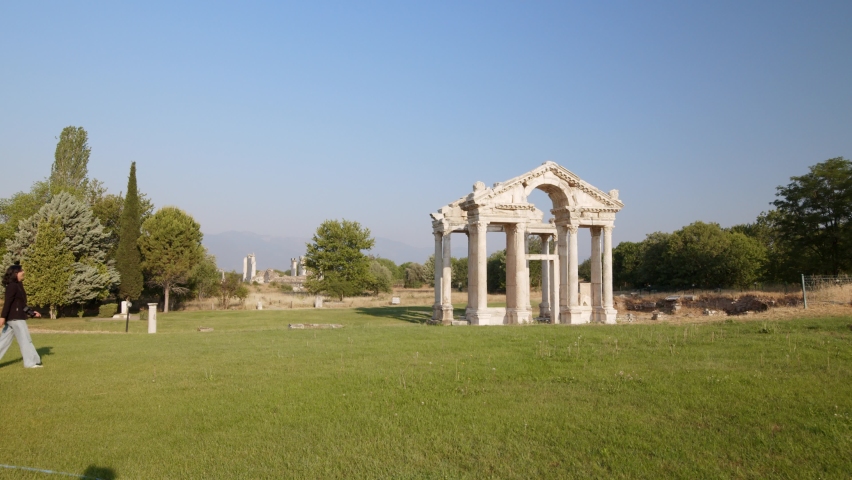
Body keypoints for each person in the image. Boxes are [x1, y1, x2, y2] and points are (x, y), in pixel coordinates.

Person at [0, 262, 43, 368]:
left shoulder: (18, 285)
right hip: (15, 319)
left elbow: (21, 304)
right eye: (21, 271)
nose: (23, 272)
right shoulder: (12, 286)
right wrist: (2, 317)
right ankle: (30, 363)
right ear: (16, 273)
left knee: (3, 341)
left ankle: (33, 361)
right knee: (25, 339)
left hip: (14, 318)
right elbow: (8, 303)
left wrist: (32, 313)